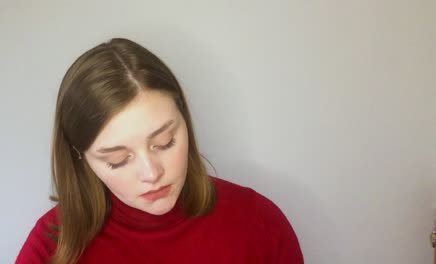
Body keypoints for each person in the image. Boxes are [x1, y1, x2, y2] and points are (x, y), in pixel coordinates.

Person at [16, 38, 304, 264]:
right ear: (82, 156)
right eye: (117, 160)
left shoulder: (259, 223)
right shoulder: (51, 247)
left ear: (186, 123)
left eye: (165, 142)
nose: (152, 173)